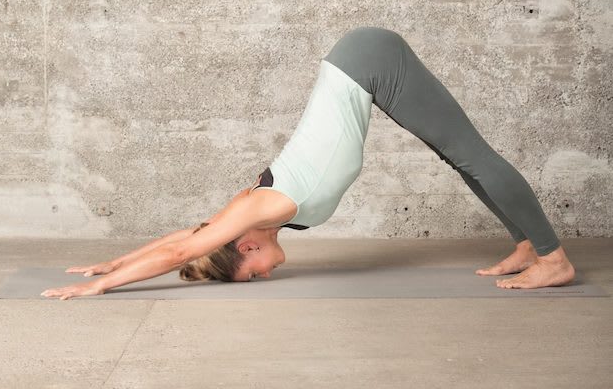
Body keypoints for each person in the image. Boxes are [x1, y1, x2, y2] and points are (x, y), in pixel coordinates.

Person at [41, 26, 575, 300]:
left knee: (472, 156)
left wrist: (99, 288)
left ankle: (553, 258)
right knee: (461, 160)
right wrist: (113, 262)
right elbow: (187, 235)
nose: (261, 275)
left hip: (368, 62)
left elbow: (184, 245)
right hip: (360, 66)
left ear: (246, 247)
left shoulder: (265, 206)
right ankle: (529, 240)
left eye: (249, 275)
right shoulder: (253, 215)